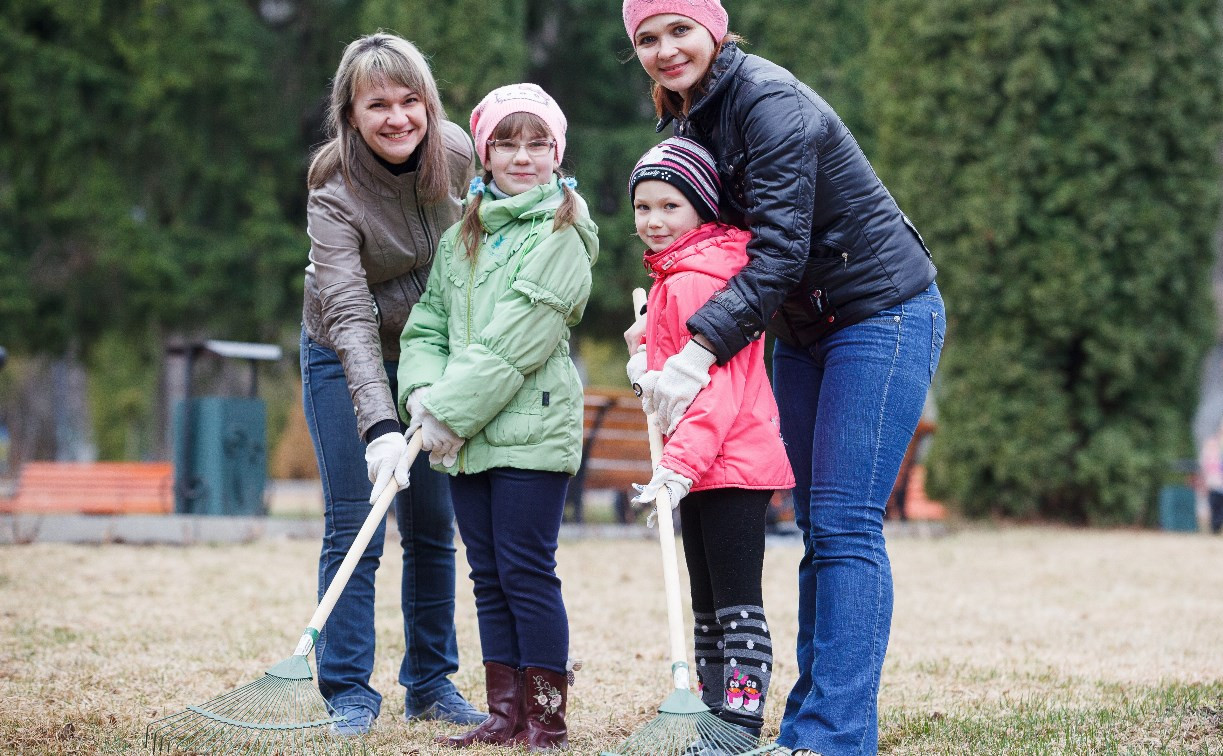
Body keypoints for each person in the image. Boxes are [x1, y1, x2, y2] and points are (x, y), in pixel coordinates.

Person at [621, 2, 947, 754]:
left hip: (880, 315)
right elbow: (705, 245)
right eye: (646, 37)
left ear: (714, 26)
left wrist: (698, 351)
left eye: (678, 29)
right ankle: (804, 724)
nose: (665, 49)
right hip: (801, 329)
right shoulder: (689, 120)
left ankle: (832, 737)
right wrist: (661, 329)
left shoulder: (769, 104)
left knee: (842, 526)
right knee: (814, 525)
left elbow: (778, 253)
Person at [397, 83, 598, 751]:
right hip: (466, 435)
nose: (522, 156)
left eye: (536, 143)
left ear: (556, 153)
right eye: (506, 143)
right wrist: (423, 397)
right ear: (483, 154)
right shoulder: (462, 238)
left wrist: (449, 411)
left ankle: (544, 717)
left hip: (530, 433)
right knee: (486, 575)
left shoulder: (564, 232)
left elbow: (517, 340)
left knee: (525, 570)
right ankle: (503, 713)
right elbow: (426, 328)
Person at [300, 31, 486, 735]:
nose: (398, 117)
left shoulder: (461, 155)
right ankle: (347, 689)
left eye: (411, 100)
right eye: (377, 104)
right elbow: (347, 313)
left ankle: (432, 683)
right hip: (342, 351)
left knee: (434, 527)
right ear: (350, 114)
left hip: (429, 360)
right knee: (357, 523)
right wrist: (378, 427)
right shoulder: (332, 187)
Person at [626, 137, 795, 740]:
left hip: (732, 464)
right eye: (643, 208)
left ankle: (740, 721)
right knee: (705, 605)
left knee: (735, 602)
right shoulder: (676, 277)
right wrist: (642, 359)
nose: (653, 221)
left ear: (701, 207)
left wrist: (675, 468)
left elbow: (715, 394)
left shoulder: (700, 280)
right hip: (700, 464)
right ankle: (714, 717)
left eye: (669, 206)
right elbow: (675, 383)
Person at [1199, 423, 1223, 534]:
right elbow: (1205, 465)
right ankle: (1215, 528)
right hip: (1214, 482)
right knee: (1215, 506)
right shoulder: (1211, 445)